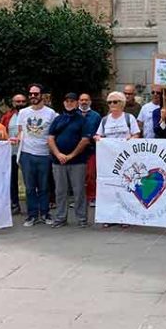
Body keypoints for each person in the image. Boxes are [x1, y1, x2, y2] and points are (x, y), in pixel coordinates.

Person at [48, 93, 96, 228]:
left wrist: (71, 155)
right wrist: (58, 154)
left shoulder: (82, 120)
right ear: (64, 103)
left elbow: (85, 140)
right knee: (60, 191)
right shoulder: (57, 119)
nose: (69, 103)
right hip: (59, 161)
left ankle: (82, 219)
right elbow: (50, 138)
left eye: (72, 101)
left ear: (77, 103)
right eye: (67, 101)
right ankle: (60, 218)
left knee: (79, 191)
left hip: (78, 161)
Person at [95, 91, 140, 228]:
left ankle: (126, 217)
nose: (112, 105)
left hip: (126, 160)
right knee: (110, 188)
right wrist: (97, 138)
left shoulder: (129, 118)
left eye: (115, 102)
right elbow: (98, 134)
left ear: (122, 103)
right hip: (109, 161)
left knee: (126, 187)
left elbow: (136, 134)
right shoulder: (104, 120)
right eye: (109, 102)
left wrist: (131, 139)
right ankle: (110, 216)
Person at [17, 84, 58, 227]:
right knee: (29, 187)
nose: (33, 96)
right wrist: (17, 139)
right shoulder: (22, 113)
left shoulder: (51, 113)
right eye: (31, 94)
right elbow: (21, 131)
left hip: (44, 154)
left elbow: (54, 133)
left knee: (44, 186)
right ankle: (32, 215)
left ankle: (45, 213)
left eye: (36, 94)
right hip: (27, 154)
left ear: (41, 95)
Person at [1, 94, 27, 215]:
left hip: (27, 151)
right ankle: (14, 204)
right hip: (11, 152)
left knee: (30, 180)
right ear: (13, 102)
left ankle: (34, 205)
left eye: (22, 101)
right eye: (17, 101)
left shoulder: (29, 114)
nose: (20, 103)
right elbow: (2, 131)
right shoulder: (7, 116)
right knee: (12, 180)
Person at [78, 93, 102, 208]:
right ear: (78, 101)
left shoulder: (96, 116)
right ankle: (79, 199)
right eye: (82, 100)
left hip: (91, 149)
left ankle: (92, 197)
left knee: (91, 175)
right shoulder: (74, 114)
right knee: (78, 176)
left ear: (90, 102)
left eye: (86, 100)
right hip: (76, 150)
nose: (84, 102)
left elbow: (99, 132)